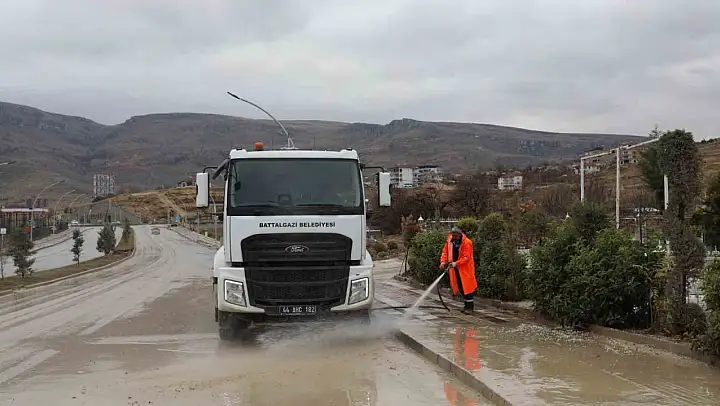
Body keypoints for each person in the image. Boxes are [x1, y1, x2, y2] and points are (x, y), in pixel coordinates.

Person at [439, 226, 477, 314]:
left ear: (460, 235)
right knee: (460, 287)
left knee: (468, 288)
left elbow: (466, 257)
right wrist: (443, 262)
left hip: (465, 270)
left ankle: (470, 307)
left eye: (456, 236)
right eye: (453, 235)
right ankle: (466, 305)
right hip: (455, 269)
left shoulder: (467, 243)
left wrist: (456, 263)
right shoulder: (449, 241)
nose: (454, 237)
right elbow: (445, 252)